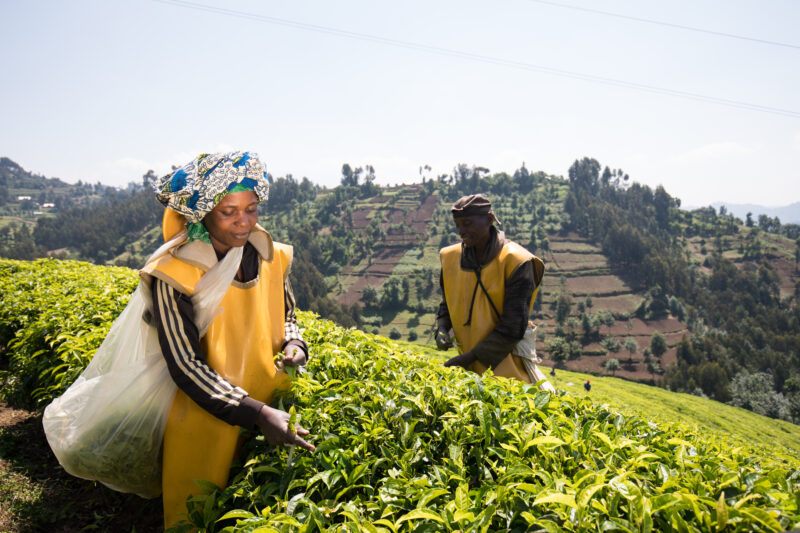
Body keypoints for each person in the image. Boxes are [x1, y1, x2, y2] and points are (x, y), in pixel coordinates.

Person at [140, 151, 314, 529]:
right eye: (228, 211)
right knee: (200, 513)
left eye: (251, 209)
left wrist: (295, 344)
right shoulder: (174, 274)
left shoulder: (272, 256)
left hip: (272, 399)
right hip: (206, 412)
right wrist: (256, 413)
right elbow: (185, 363)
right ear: (202, 213)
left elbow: (286, 313)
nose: (244, 221)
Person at [436, 194, 545, 382]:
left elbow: (512, 327)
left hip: (509, 372)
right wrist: (442, 328)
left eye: (467, 223)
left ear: (488, 220)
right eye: (458, 225)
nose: (461, 231)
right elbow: (448, 303)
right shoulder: (450, 257)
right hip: (469, 371)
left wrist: (468, 358)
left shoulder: (517, 262)